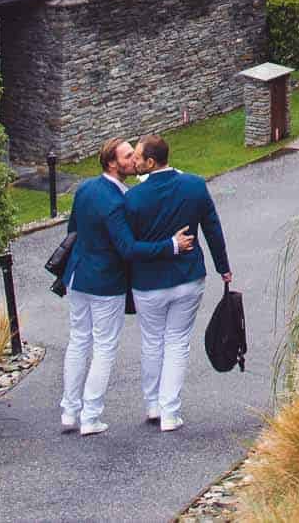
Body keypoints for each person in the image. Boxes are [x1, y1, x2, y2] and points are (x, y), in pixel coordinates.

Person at [61, 137, 197, 436]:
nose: (133, 159)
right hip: (104, 282)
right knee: (104, 347)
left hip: (76, 277)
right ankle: (91, 415)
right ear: (112, 163)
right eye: (127, 156)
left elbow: (74, 230)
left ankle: (70, 411)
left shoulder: (85, 189)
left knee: (78, 341)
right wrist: (170, 246)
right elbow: (129, 249)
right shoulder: (117, 202)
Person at [122, 132, 230, 431]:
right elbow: (212, 228)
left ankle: (153, 405)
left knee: (152, 342)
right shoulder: (194, 186)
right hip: (187, 278)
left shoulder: (133, 198)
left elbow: (127, 245)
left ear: (151, 161)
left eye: (138, 157)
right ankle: (170, 411)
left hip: (148, 283)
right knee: (178, 343)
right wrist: (223, 267)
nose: (134, 162)